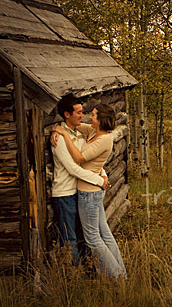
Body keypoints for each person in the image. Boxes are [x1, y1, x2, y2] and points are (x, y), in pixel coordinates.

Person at [52, 103, 127, 279]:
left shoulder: (104, 139)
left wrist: (62, 134)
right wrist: (57, 129)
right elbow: (71, 126)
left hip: (89, 193)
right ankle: (121, 273)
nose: (88, 116)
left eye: (93, 115)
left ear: (100, 120)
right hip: (92, 192)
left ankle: (116, 277)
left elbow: (79, 158)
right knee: (104, 234)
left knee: (93, 238)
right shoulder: (93, 132)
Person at [51, 94, 110, 266]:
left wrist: (103, 173)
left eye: (82, 111)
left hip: (79, 191)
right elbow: (73, 168)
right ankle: (73, 278)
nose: (82, 115)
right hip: (64, 194)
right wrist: (99, 181)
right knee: (69, 240)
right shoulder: (60, 139)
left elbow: (91, 160)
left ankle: (87, 273)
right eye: (78, 112)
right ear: (67, 115)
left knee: (84, 237)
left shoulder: (79, 133)